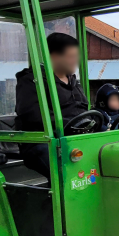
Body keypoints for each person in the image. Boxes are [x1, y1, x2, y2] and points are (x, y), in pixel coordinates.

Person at [14, 33, 89, 178]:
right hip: (43, 141)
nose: (76, 61)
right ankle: (56, 200)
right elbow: (33, 115)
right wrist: (74, 125)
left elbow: (83, 110)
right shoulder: (32, 81)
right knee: (70, 174)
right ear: (54, 56)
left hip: (73, 139)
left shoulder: (73, 81)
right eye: (71, 56)